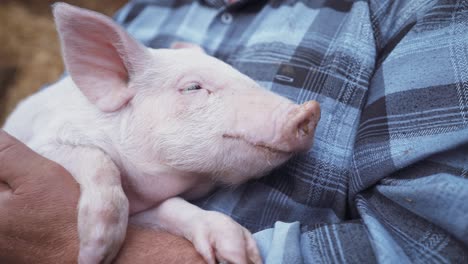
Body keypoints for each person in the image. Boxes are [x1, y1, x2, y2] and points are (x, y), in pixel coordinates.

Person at [1, 0, 467, 263]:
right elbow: (50, 151)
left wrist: (67, 241)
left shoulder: (416, 11)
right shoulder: (144, 14)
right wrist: (100, 179)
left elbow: (433, 249)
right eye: (197, 87)